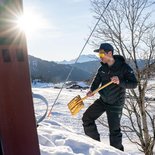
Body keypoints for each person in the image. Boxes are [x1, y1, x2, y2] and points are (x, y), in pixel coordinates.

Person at [82, 43, 138, 151]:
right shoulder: (102, 68)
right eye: (99, 54)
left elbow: (134, 84)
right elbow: (96, 81)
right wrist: (92, 91)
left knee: (114, 132)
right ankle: (96, 147)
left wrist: (120, 81)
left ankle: (117, 153)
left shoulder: (123, 67)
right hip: (103, 101)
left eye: (102, 53)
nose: (100, 56)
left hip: (116, 104)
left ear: (110, 53)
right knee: (87, 118)